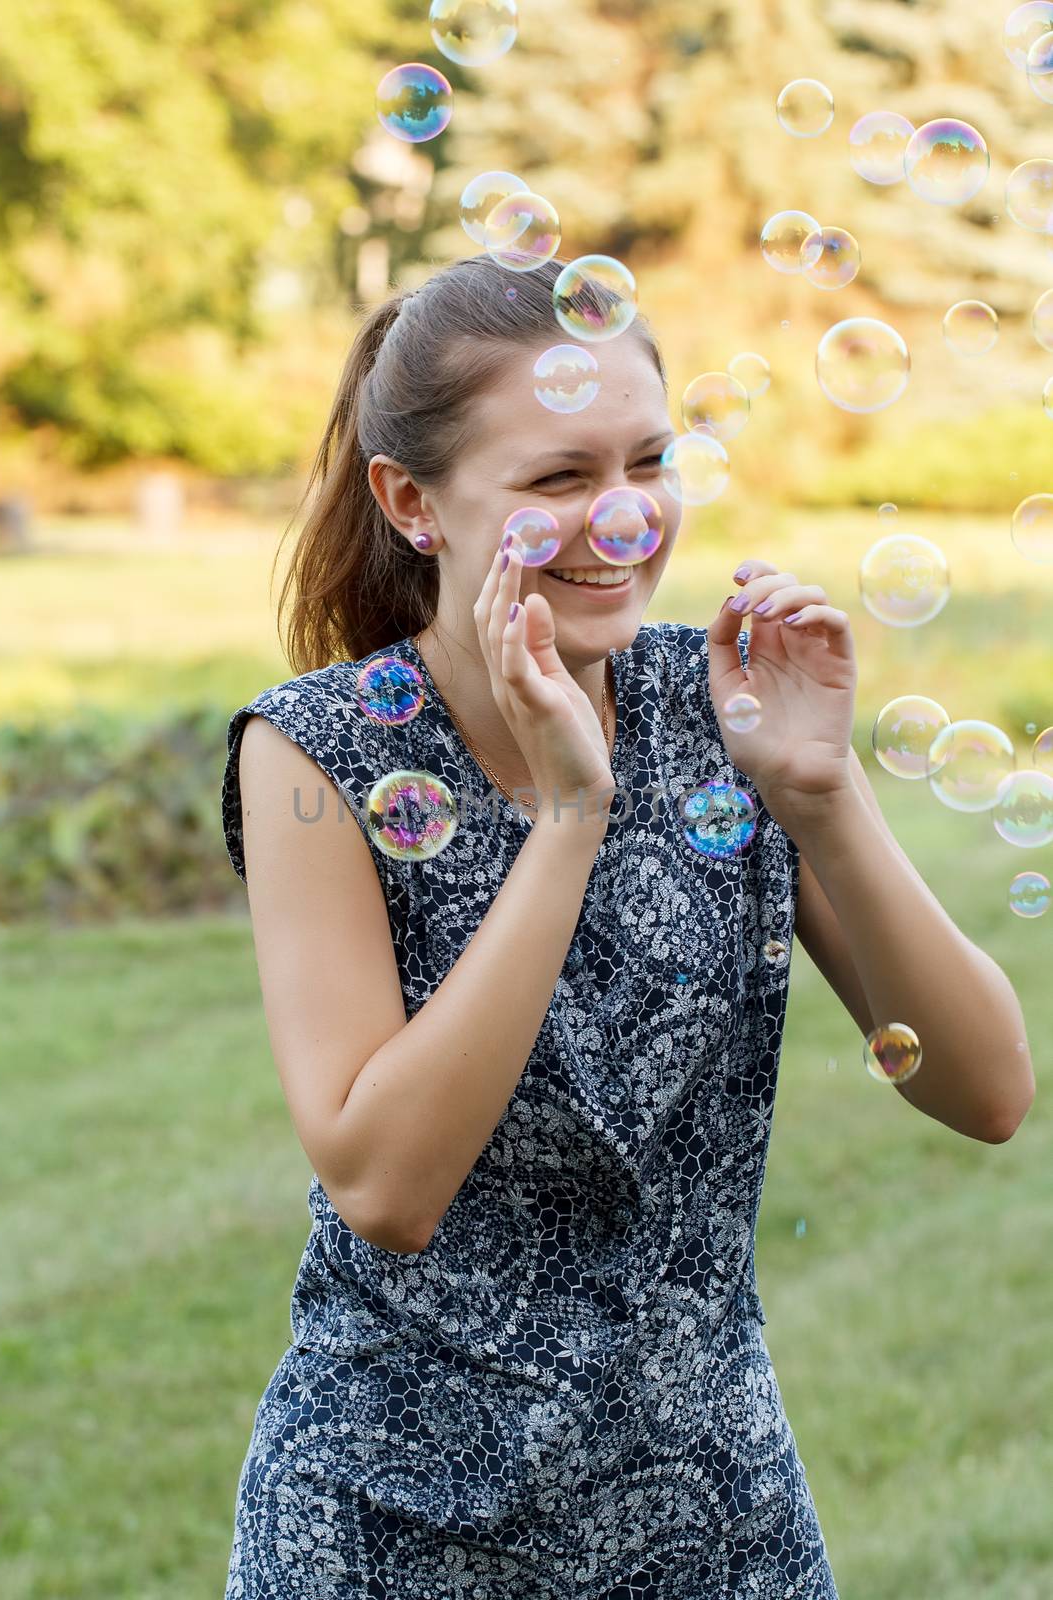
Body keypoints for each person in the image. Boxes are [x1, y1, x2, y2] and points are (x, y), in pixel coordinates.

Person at [219, 254, 1034, 1599]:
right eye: (556, 480)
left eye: (647, 462)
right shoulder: (316, 750)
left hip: (712, 1513)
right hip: (389, 1524)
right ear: (411, 501)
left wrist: (823, 797)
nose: (623, 518)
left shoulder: (725, 702)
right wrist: (569, 821)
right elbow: (384, 1187)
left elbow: (990, 1092)